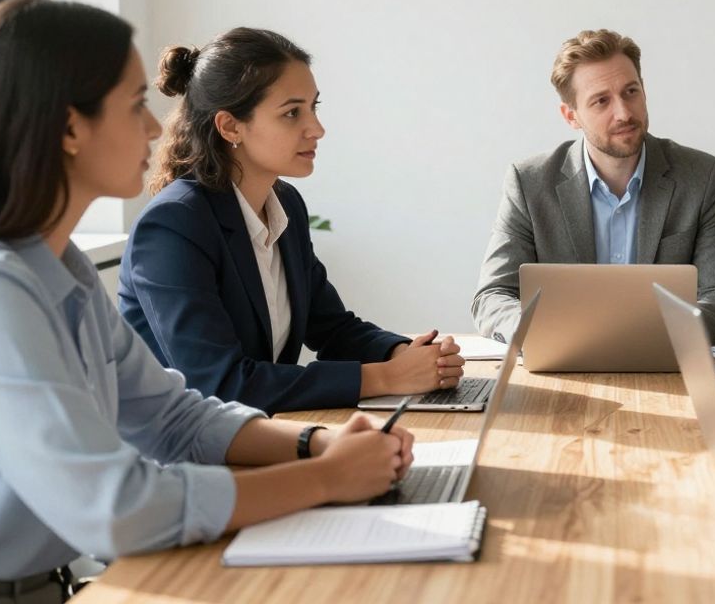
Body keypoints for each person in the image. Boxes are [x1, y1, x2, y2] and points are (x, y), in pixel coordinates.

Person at [0, 0, 414, 602]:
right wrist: (323, 479)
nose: (155, 127)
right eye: (136, 104)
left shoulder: (64, 269)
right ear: (67, 127)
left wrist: (317, 443)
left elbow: (171, 416)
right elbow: (114, 506)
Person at [117, 28, 462, 414]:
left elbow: (332, 328)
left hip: (262, 436)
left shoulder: (285, 205)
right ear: (230, 126)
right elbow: (221, 384)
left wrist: (407, 353)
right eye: (292, 113)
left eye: (314, 107)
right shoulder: (174, 225)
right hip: (184, 459)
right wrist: (387, 377)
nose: (316, 128)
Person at [471, 28, 715, 341]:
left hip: (665, 360)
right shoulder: (529, 183)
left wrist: (660, 330)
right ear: (571, 115)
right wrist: (544, 330)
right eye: (601, 101)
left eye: (631, 92)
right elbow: (492, 298)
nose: (624, 113)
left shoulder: (700, 176)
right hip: (564, 361)